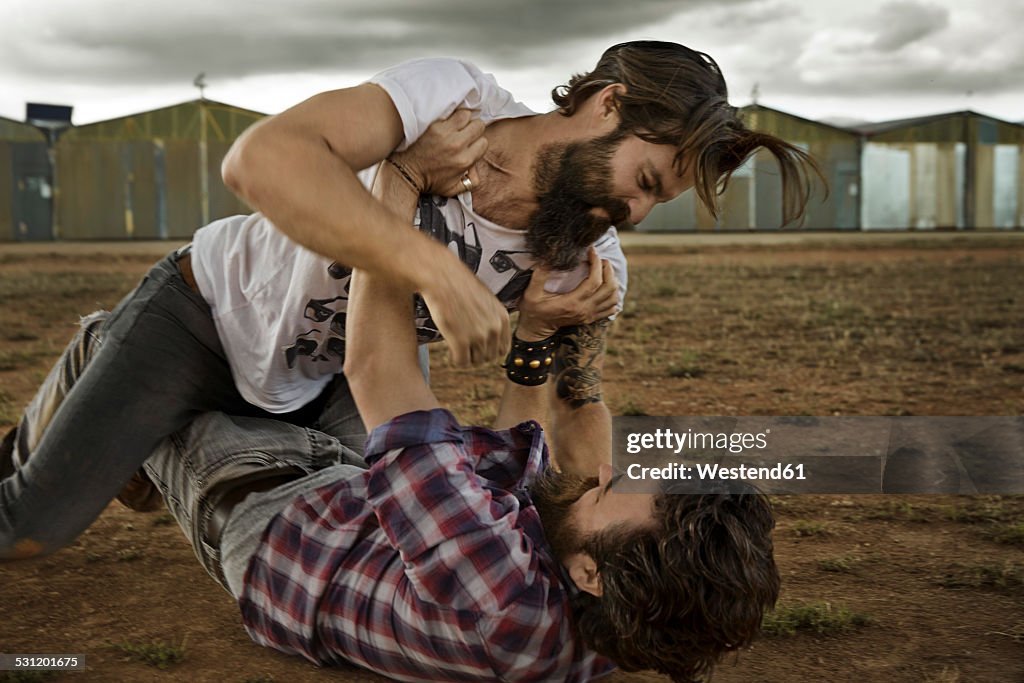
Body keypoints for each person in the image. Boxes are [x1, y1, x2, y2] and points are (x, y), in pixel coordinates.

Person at [0, 40, 816, 559]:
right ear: (609, 103)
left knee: (398, 535)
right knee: (29, 532)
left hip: (334, 381)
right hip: (203, 313)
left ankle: (141, 439)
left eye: (655, 203)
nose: (634, 214)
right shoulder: (450, 98)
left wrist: (596, 531)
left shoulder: (585, 263)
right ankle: (107, 356)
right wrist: (434, 267)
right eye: (644, 180)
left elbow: (567, 420)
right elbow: (262, 161)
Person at [1, 252, 781, 681]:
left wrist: (392, 214)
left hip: (271, 515)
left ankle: (99, 401)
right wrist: (540, 326)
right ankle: (132, 464)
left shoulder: (501, 604)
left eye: (616, 494)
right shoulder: (624, 619)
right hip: (369, 500)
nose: (605, 476)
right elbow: (513, 456)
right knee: (316, 339)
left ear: (587, 573)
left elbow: (380, 370)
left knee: (145, 353)